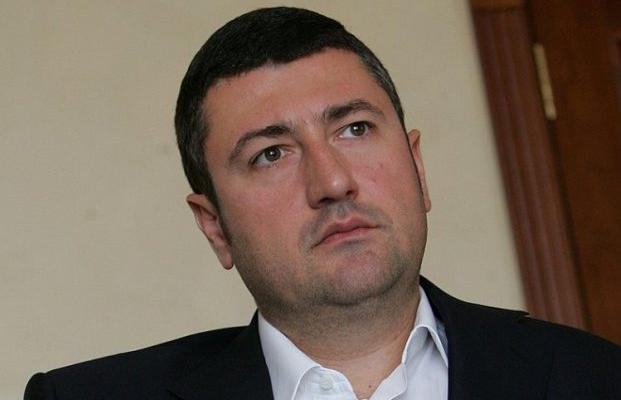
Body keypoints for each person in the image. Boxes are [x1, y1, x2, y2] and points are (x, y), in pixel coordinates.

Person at [24, 6, 620, 400]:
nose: (332, 182)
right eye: (271, 154)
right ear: (215, 227)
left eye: (354, 129)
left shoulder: (596, 379)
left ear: (418, 167)